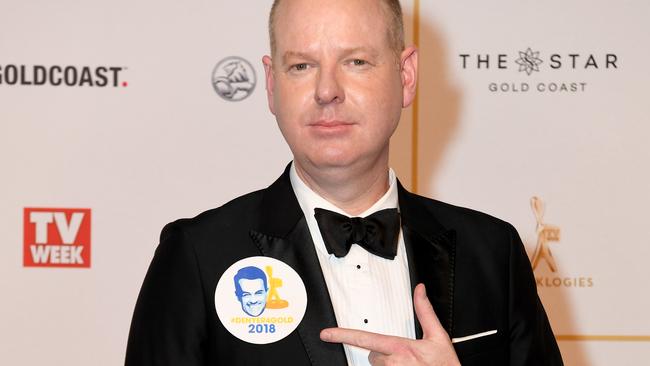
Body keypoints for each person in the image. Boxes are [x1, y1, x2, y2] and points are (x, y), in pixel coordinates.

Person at [125, 0, 564, 365]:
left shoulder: (493, 253)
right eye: (301, 65)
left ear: (406, 76)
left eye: (356, 61)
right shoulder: (198, 256)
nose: (327, 90)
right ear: (273, 85)